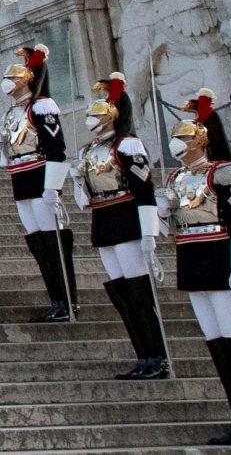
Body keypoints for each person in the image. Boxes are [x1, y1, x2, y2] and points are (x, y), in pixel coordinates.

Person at [166, 93, 231, 444]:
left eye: (184, 136)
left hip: (220, 260)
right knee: (217, 344)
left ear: (200, 137)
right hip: (192, 262)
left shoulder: (223, 172)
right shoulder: (176, 177)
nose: (178, 142)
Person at [79, 74, 167, 380]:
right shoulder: (89, 149)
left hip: (127, 219)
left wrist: (148, 233)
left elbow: (144, 189)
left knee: (138, 292)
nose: (91, 117)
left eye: (97, 111)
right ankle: (142, 354)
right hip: (103, 220)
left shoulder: (128, 144)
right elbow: (85, 199)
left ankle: (156, 354)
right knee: (121, 293)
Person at [0, 45, 75, 322]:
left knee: (52, 240)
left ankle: (67, 300)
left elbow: (56, 148)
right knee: (37, 242)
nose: (8, 82)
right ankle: (55, 298)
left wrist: (53, 186)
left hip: (41, 176)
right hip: (20, 179)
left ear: (27, 79)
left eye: (14, 77)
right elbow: (8, 157)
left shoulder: (42, 106)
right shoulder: (11, 113)